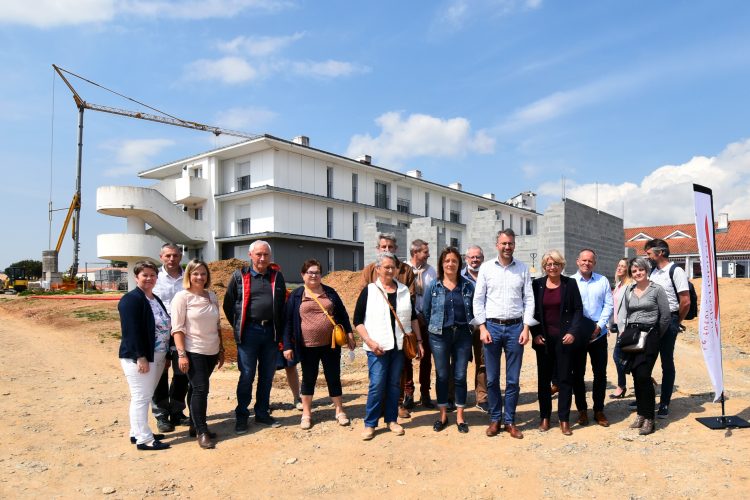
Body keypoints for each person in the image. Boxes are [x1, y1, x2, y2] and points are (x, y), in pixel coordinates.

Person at [354, 252, 423, 440]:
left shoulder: (402, 291)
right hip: (377, 348)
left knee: (394, 385)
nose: (390, 270)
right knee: (376, 385)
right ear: (377, 269)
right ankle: (370, 424)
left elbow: (413, 318)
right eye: (386, 267)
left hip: (399, 347)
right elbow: (357, 321)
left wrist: (419, 341)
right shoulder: (369, 291)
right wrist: (369, 341)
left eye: (393, 267)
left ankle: (392, 420)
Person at [474, 229, 534, 439]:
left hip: (516, 329)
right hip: (492, 328)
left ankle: (509, 420)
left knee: (513, 380)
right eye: (503, 243)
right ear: (497, 245)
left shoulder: (523, 269)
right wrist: (482, 327)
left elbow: (529, 299)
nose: (507, 247)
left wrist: (526, 327)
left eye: (510, 243)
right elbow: (478, 299)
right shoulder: (486, 268)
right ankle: (494, 418)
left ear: (514, 245)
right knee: (491, 379)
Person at [283, 259, 355, 429]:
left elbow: (343, 314)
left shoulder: (330, 292)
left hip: (331, 344)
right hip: (307, 346)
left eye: (317, 272)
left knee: (333, 376)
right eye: (310, 272)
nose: (314, 275)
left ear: (321, 275)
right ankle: (306, 413)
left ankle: (339, 410)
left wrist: (350, 333)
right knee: (309, 378)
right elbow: (287, 322)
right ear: (303, 275)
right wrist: (287, 345)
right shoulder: (296, 295)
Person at [223, 240, 287, 433]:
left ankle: (262, 413)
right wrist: (239, 324)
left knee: (267, 376)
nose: (262, 258)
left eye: (265, 255)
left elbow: (282, 306)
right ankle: (242, 415)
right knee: (247, 375)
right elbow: (228, 305)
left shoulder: (277, 277)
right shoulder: (239, 277)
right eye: (258, 254)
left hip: (270, 333)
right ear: (250, 255)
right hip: (248, 333)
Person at [358, 233, 416, 419]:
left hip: (400, 336)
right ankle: (373, 418)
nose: (387, 250)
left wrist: (417, 339)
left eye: (390, 247)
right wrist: (368, 339)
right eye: (384, 247)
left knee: (396, 379)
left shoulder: (405, 272)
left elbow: (410, 305)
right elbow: (360, 312)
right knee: (377, 381)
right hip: (377, 338)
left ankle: (395, 410)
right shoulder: (368, 274)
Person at [171, 259, 225, 449]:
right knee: (201, 390)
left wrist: (221, 349)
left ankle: (194, 426)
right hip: (193, 351)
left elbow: (217, 324)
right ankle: (202, 432)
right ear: (188, 276)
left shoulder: (212, 296)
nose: (199, 277)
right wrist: (181, 354)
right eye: (195, 273)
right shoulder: (182, 297)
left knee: (195, 389)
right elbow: (177, 329)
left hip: (211, 350)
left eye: (203, 273)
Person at [118, 260, 171, 451]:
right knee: (141, 397)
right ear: (136, 277)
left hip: (157, 355)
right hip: (141, 357)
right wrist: (140, 357)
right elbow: (131, 331)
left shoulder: (153, 298)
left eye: (152, 275)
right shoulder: (131, 299)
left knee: (145, 396)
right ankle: (144, 439)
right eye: (145, 275)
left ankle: (137, 431)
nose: (149, 278)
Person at [530, 250, 584, 436]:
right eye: (548, 264)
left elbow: (578, 310)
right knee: (544, 381)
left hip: (564, 340)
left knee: (564, 380)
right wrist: (535, 334)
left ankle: (564, 419)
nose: (552, 267)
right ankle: (545, 417)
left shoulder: (570, 284)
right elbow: (532, 311)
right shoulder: (536, 284)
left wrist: (572, 332)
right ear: (544, 267)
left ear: (562, 265)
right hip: (543, 340)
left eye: (556, 264)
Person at [422, 247, 474, 433]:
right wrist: (435, 327)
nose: (450, 264)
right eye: (447, 261)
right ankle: (443, 414)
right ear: (442, 264)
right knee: (442, 376)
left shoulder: (468, 286)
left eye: (454, 261)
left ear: (459, 264)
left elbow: (475, 310)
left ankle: (460, 416)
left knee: (460, 376)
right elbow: (426, 312)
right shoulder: (433, 287)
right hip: (439, 336)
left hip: (463, 335)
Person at [620, 257, 671, 435]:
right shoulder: (629, 290)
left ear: (646, 270)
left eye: (640, 270)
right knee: (635, 374)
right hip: (633, 336)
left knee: (643, 374)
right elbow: (626, 313)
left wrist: (656, 335)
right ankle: (641, 414)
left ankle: (650, 418)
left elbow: (665, 316)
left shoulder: (657, 289)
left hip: (650, 335)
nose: (638, 273)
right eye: (634, 271)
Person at [643, 238, 690, 419]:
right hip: (651, 320)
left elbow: (685, 301)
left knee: (666, 363)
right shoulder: (654, 272)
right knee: (645, 361)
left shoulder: (676, 271)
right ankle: (645, 399)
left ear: (660, 252)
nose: (647, 257)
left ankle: (664, 403)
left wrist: (676, 321)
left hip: (669, 319)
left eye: (648, 254)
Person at [571, 249, 614, 427]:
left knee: (600, 374)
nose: (586, 263)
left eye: (590, 261)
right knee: (578, 374)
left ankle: (598, 410)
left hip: (598, 334)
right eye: (584, 260)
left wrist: (599, 326)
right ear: (577, 261)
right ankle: (582, 410)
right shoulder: (570, 282)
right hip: (578, 336)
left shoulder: (602, 280)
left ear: (594, 263)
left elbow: (608, 305)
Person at [151, 243, 189, 433]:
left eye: (175, 255)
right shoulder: (154, 278)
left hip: (182, 332)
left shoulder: (188, 277)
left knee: (182, 373)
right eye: (168, 256)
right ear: (161, 257)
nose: (171, 259)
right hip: (159, 333)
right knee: (160, 374)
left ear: (180, 256)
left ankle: (176, 411)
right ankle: (161, 415)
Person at [409, 239, 437, 409]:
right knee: (407, 357)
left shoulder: (431, 271)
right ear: (415, 253)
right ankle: (408, 393)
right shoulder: (404, 269)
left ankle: (425, 394)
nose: (428, 254)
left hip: (426, 320)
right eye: (425, 252)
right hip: (408, 321)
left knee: (426, 358)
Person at [462, 245, 487, 413]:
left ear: (482, 258)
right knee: (459, 362)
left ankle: (482, 397)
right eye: (471, 257)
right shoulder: (459, 276)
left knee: (483, 362)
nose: (474, 260)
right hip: (463, 326)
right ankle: (456, 397)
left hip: (483, 325)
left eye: (477, 257)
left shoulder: (488, 275)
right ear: (466, 259)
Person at [609, 258, 633, 399]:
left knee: (617, 356)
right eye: (618, 265)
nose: (619, 268)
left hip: (627, 327)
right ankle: (644, 379)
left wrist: (627, 326)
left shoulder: (630, 285)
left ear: (628, 269)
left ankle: (621, 386)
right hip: (619, 327)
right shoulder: (618, 284)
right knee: (628, 356)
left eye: (623, 266)